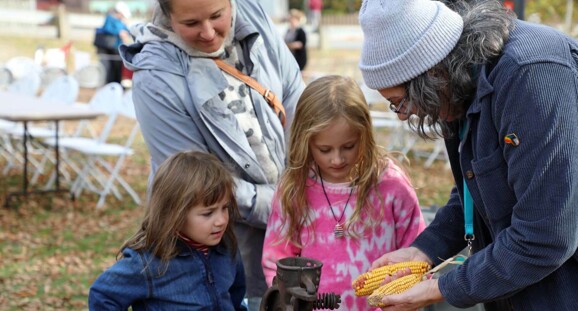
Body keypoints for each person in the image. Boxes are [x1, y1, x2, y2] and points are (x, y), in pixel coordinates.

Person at [357, 0, 578, 310]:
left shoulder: (533, 78)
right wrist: (425, 250)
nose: (402, 116)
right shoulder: (457, 86)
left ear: (431, 77)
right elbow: (475, 189)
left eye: (401, 102)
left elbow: (546, 235)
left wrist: (442, 288)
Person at [119, 0, 305, 309]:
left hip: (294, 227)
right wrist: (286, 205)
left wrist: (307, 181)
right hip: (226, 247)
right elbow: (193, 184)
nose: (208, 33)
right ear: (167, 13)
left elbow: (294, 97)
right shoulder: (155, 77)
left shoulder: (254, 13)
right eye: (191, 24)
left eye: (217, 16)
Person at [261, 75, 426, 310]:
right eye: (324, 149)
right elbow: (277, 257)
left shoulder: (392, 185)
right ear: (305, 141)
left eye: (349, 146)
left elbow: (417, 250)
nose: (337, 159)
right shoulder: (295, 188)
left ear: (364, 135)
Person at [88, 151, 247, 310]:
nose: (221, 220)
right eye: (208, 213)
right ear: (175, 213)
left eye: (225, 208)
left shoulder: (226, 248)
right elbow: (103, 296)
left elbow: (234, 296)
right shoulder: (148, 262)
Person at [95, 1, 132, 84]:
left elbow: (126, 30)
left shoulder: (121, 22)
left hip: (117, 49)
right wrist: (119, 32)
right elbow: (107, 29)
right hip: (108, 48)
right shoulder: (110, 18)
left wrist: (126, 31)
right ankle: (109, 83)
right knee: (109, 68)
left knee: (118, 67)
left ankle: (117, 83)